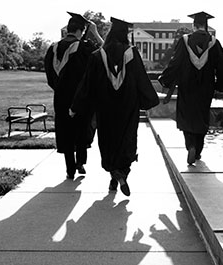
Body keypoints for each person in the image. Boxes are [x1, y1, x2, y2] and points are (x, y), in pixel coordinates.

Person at [70, 17, 159, 196]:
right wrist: (149, 101)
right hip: (128, 108)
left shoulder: (97, 56)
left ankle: (114, 175)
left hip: (105, 109)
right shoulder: (132, 53)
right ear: (125, 34)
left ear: (110, 34)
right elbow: (141, 79)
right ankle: (121, 173)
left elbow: (86, 84)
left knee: (109, 142)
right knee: (126, 140)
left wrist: (75, 106)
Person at [159, 11, 223, 165]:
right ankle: (198, 151)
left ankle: (191, 146)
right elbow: (222, 66)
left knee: (186, 116)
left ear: (193, 25)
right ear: (205, 25)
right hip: (205, 87)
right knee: (201, 117)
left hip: (187, 86)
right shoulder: (214, 42)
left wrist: (165, 79)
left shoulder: (185, 40)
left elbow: (175, 62)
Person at [44, 12, 103, 179]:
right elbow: (107, 53)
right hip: (80, 99)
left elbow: (49, 76)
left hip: (60, 98)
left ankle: (70, 168)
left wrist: (60, 89)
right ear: (81, 30)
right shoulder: (84, 47)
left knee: (66, 131)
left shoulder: (52, 48)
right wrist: (96, 33)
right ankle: (80, 162)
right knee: (82, 129)